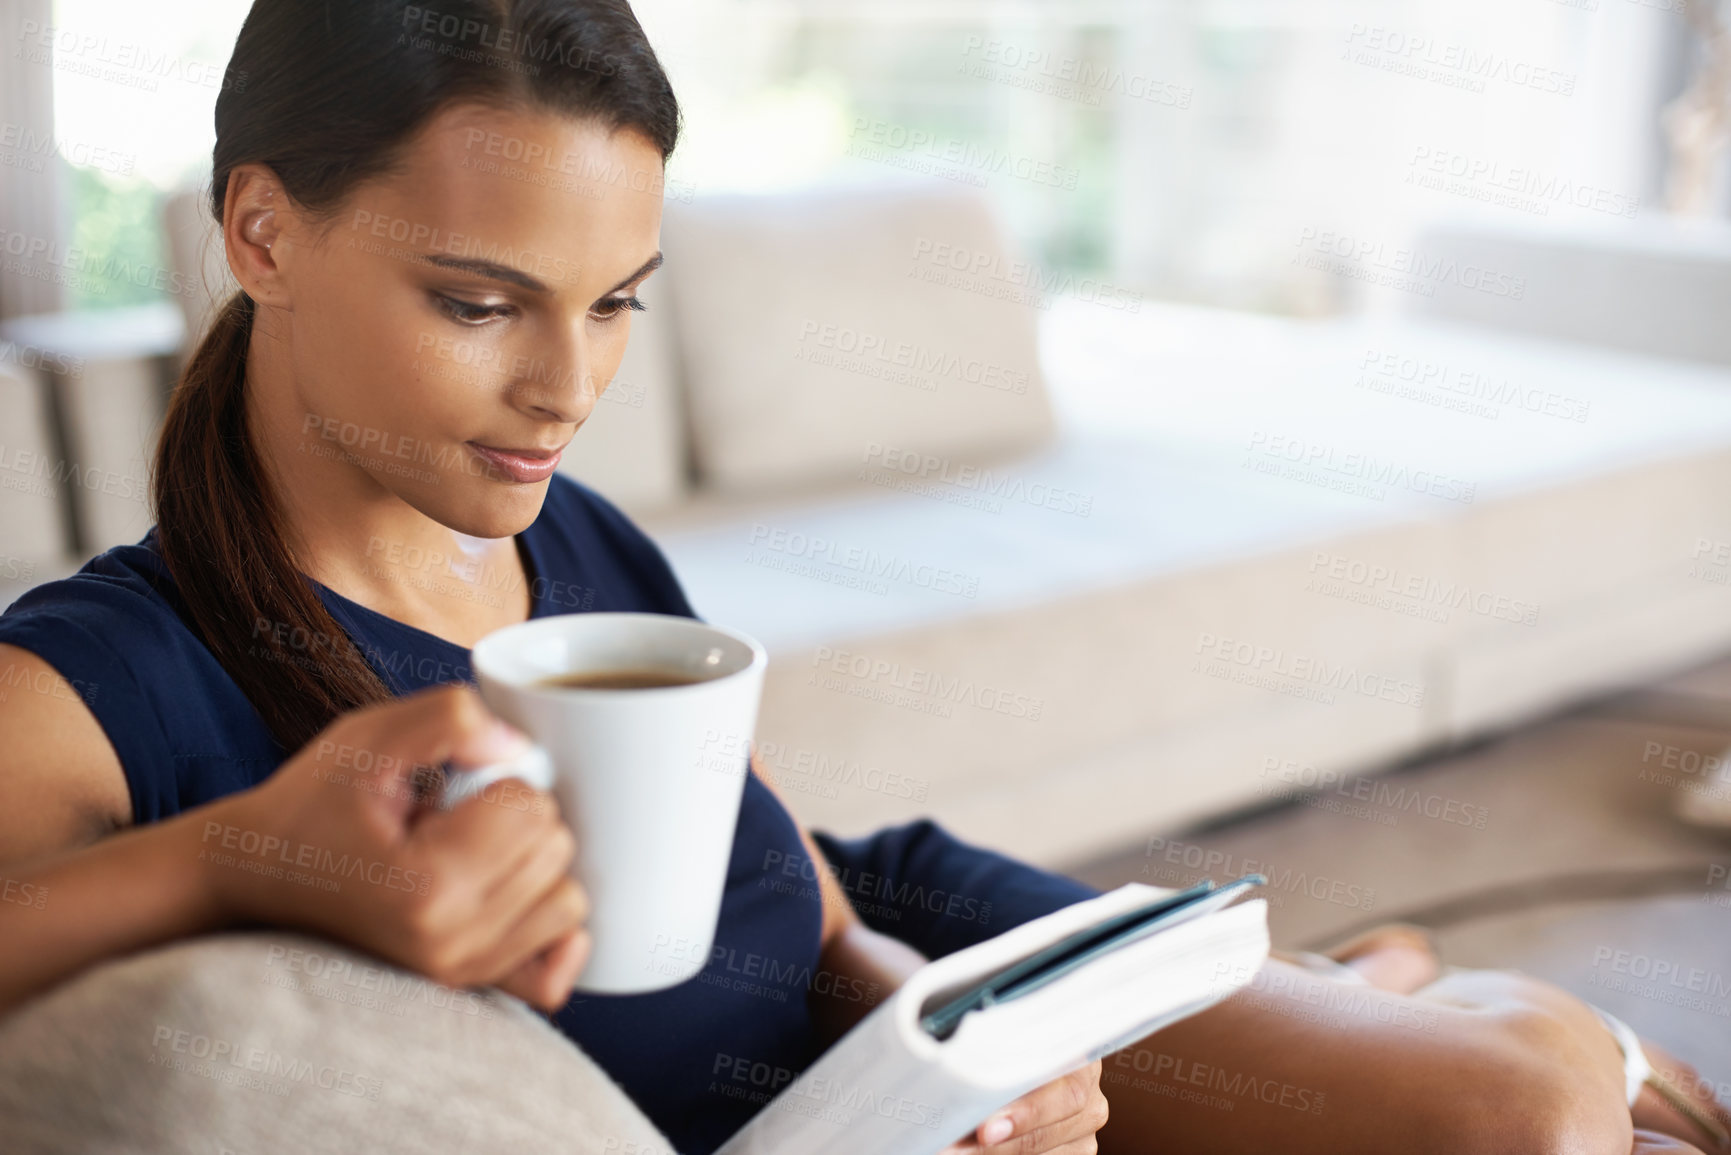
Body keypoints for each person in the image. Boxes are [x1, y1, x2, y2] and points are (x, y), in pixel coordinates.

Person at [0, 2, 1723, 1153]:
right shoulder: (99, 683)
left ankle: (1407, 994)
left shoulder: (573, 548)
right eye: (479, 302)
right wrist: (256, 857)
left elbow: (797, 881)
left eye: (614, 305)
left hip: (911, 967)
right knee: (1515, 1123)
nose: (568, 391)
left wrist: (932, 1040)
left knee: (1528, 1113)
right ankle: (1371, 985)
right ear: (261, 234)